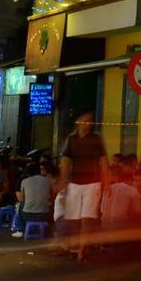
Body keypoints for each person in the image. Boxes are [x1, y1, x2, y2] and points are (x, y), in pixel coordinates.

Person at [59, 109, 110, 261]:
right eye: (85, 120)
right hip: (74, 183)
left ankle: (82, 248)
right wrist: (63, 180)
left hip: (93, 183)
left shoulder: (96, 138)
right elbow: (65, 161)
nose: (88, 123)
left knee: (88, 217)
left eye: (90, 120)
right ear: (78, 122)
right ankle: (77, 245)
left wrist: (106, 181)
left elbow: (103, 161)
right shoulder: (71, 139)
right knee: (73, 217)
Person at [12, 162, 54, 238]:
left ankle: (20, 229)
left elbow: (22, 198)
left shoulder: (24, 181)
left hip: (27, 216)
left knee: (21, 204)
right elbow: (52, 195)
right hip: (43, 215)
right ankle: (52, 228)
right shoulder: (48, 180)